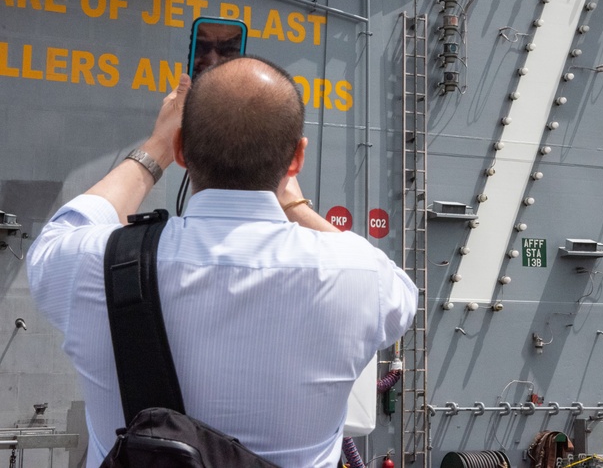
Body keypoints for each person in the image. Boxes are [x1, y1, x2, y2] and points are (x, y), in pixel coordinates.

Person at [27, 57, 418, 468]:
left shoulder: (92, 264)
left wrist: (156, 146)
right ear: (296, 159)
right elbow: (400, 293)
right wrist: (295, 204)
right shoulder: (363, 277)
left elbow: (65, 229)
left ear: (182, 150)